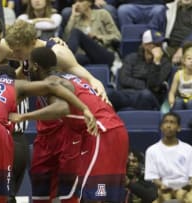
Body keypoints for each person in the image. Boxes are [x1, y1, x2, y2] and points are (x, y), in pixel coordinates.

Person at [0, 66, 96, 203]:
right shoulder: (18, 86)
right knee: (6, 192)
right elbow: (52, 86)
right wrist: (83, 107)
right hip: (16, 140)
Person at [12, 47, 128, 202]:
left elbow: (61, 108)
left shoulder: (52, 82)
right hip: (112, 130)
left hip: (102, 131)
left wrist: (24, 116)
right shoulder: (71, 77)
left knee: (94, 196)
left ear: (35, 66)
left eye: (29, 65)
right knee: (104, 194)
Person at [2, 19, 108, 102]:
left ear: (33, 42)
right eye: (13, 50)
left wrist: (95, 82)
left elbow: (83, 73)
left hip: (65, 103)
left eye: (18, 51)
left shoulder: (58, 53)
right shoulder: (21, 51)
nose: (14, 55)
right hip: (42, 101)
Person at [107, 29, 172, 111]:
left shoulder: (165, 63)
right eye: (156, 44)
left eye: (160, 44)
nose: (160, 47)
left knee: (145, 94)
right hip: (129, 94)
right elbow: (124, 79)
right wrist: (145, 85)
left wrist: (156, 62)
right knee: (110, 94)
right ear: (145, 45)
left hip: (152, 97)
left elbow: (154, 84)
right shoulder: (131, 58)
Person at [145, 112, 192, 203]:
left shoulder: (189, 149)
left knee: (186, 198)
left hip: (185, 187)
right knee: (166, 199)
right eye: (165, 122)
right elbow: (153, 177)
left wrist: (188, 186)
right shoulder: (151, 150)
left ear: (179, 128)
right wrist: (162, 186)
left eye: (172, 122)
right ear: (161, 127)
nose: (168, 125)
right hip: (164, 188)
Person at [63, 0, 120, 67]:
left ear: (90, 2)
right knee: (75, 59)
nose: (77, 4)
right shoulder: (76, 19)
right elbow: (66, 39)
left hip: (104, 54)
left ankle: (64, 59)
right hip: (87, 56)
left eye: (81, 1)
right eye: (75, 2)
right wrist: (72, 17)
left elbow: (117, 36)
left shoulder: (102, 14)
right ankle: (64, 61)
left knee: (76, 32)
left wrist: (98, 37)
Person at [168, 42, 192, 110]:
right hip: (182, 99)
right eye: (189, 58)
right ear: (183, 61)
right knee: (178, 103)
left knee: (190, 103)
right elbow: (172, 92)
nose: (191, 61)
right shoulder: (178, 74)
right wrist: (171, 103)